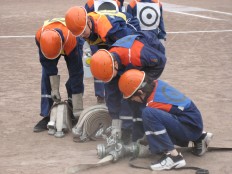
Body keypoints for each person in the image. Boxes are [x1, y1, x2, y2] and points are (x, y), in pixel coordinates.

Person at [118, 69, 213, 170]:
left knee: (148, 114)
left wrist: (152, 143)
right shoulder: (156, 84)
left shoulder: (153, 103)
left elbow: (153, 123)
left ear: (140, 92)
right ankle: (200, 137)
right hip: (192, 122)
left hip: (191, 127)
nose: (132, 100)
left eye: (132, 97)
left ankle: (174, 157)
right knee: (152, 125)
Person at [90, 32, 166, 142]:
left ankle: (142, 132)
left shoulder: (137, 54)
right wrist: (116, 122)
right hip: (127, 63)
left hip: (151, 58)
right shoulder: (107, 63)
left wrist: (145, 81)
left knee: (138, 96)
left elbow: (161, 61)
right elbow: (111, 95)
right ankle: (127, 129)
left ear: (115, 65)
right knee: (124, 95)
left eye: (112, 75)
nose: (111, 79)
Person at [33, 18, 84, 132]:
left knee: (75, 77)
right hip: (49, 45)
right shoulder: (39, 37)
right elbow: (47, 65)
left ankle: (74, 109)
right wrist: (54, 89)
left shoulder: (71, 40)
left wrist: (78, 109)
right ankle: (47, 115)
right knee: (46, 75)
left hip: (70, 41)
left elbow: (76, 72)